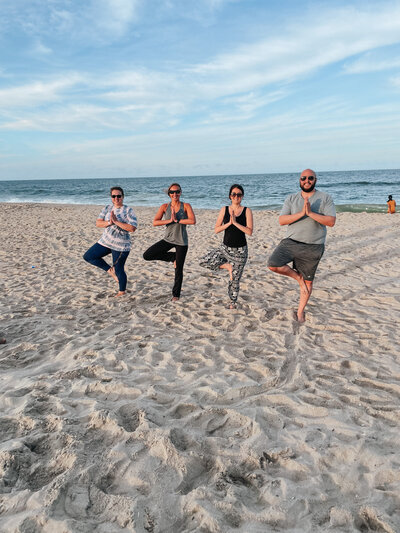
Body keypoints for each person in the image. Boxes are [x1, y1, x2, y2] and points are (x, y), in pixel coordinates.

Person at [268, 169, 336, 323]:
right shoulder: (291, 198)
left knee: (309, 282)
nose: (307, 181)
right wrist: (302, 213)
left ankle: (300, 311)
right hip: (291, 242)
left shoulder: (325, 198)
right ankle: (298, 278)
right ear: (299, 180)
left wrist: (311, 213)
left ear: (315, 180)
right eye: (304, 178)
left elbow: (331, 222)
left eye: (310, 178)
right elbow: (282, 220)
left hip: (313, 246)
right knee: (273, 264)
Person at [200, 184, 253, 309]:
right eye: (234, 194)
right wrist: (229, 223)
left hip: (240, 252)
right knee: (204, 261)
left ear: (242, 196)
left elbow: (249, 231)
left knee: (234, 281)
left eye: (239, 194)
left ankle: (232, 302)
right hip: (225, 248)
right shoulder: (224, 210)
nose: (236, 197)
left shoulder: (247, 211)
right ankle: (227, 266)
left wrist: (235, 223)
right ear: (230, 196)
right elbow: (217, 229)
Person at [143, 183, 196, 301]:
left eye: (177, 192)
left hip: (181, 241)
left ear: (180, 193)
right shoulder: (164, 207)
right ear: (169, 194)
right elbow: (155, 222)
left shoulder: (186, 205)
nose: (175, 194)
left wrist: (178, 220)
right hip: (168, 239)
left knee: (179, 270)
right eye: (172, 192)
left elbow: (192, 221)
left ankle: (175, 295)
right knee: (147, 255)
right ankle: (173, 258)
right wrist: (169, 220)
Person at [83, 186, 137, 296]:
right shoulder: (107, 208)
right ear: (111, 197)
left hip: (121, 245)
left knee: (119, 269)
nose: (116, 198)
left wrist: (116, 222)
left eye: (119, 196)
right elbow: (98, 223)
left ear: (123, 197)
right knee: (88, 256)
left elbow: (132, 228)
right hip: (106, 241)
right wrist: (109, 222)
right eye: (114, 196)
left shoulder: (128, 210)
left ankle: (122, 291)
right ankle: (110, 271)